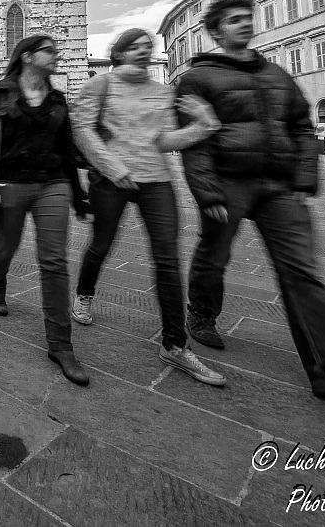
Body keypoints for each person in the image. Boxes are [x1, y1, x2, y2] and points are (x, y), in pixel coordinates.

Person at [177, 0, 325, 401]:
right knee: (214, 254)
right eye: (233, 20)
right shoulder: (199, 79)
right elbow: (194, 144)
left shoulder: (277, 73)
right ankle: (202, 312)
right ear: (216, 31)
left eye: (248, 18)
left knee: (303, 273)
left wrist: (303, 175)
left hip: (278, 187)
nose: (244, 25)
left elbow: (302, 126)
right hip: (229, 183)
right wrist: (206, 190)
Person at [69, 28, 226, 387]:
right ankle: (84, 293)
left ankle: (174, 343)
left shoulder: (162, 92)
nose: (143, 51)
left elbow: (164, 140)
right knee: (102, 244)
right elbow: (82, 130)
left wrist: (205, 125)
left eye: (148, 47)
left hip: (156, 180)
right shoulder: (101, 85)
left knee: (168, 258)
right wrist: (112, 167)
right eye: (135, 46)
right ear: (120, 53)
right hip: (111, 180)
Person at [0, 34, 92, 386]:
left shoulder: (57, 98)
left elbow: (66, 147)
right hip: (10, 182)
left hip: (52, 183)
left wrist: (78, 192)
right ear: (27, 57)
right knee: (5, 247)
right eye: (50, 51)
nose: (57, 55)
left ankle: (60, 342)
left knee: (54, 260)